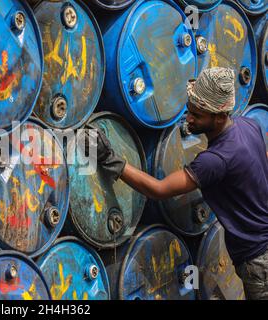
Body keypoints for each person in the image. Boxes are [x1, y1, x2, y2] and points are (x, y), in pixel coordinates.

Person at [87, 67, 268, 300]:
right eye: (190, 109)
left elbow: (159, 190)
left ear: (220, 115)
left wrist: (109, 159)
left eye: (197, 115)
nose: (189, 118)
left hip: (258, 259)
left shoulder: (215, 160)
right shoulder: (247, 126)